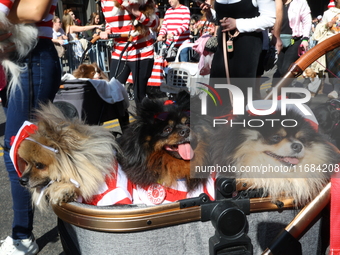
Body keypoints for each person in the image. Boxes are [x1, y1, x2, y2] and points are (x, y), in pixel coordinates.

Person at [0, 1, 61, 254]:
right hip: (19, 56)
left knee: (18, 149)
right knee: (22, 149)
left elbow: (36, 10)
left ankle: (23, 236)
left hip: (31, 56)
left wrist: (5, 16)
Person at [202, 0, 275, 109]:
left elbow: (270, 19)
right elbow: (220, 18)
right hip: (223, 45)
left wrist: (238, 24)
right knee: (217, 91)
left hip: (247, 46)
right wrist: (209, 13)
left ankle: (242, 123)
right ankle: (216, 122)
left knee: (241, 91)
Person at [100, 0, 159, 106]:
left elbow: (155, 23)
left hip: (141, 52)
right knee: (114, 91)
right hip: (119, 52)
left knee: (139, 95)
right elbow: (109, 22)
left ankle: (144, 121)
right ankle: (124, 121)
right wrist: (107, 31)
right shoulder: (104, 2)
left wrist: (135, 12)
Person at [273, 0, 312, 79]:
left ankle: (284, 89)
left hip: (295, 40)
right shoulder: (274, 3)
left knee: (287, 69)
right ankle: (278, 89)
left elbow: (307, 21)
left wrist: (305, 39)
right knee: (279, 69)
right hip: (278, 40)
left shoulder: (301, 2)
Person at [313, 0, 340, 99]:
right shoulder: (327, 13)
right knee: (334, 68)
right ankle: (336, 89)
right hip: (332, 44)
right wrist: (326, 25)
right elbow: (319, 28)